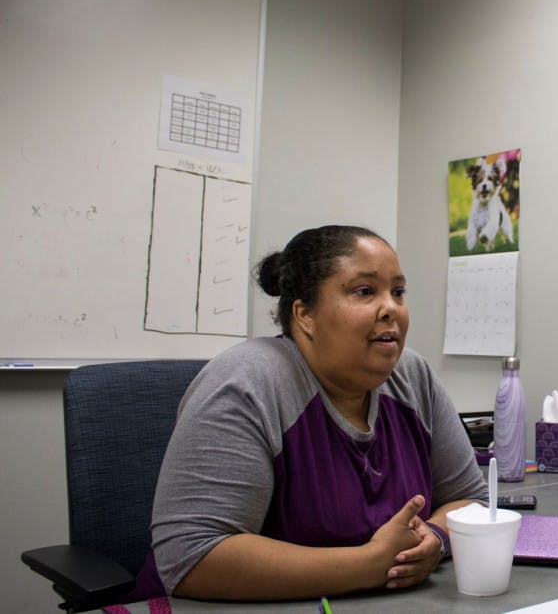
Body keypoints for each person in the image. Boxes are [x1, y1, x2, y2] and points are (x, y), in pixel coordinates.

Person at [131, 225, 489, 601]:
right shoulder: (247, 383)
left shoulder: (413, 377)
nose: (391, 309)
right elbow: (191, 557)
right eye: (365, 291)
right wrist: (368, 563)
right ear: (304, 315)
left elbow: (471, 499)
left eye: (398, 292)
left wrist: (435, 538)